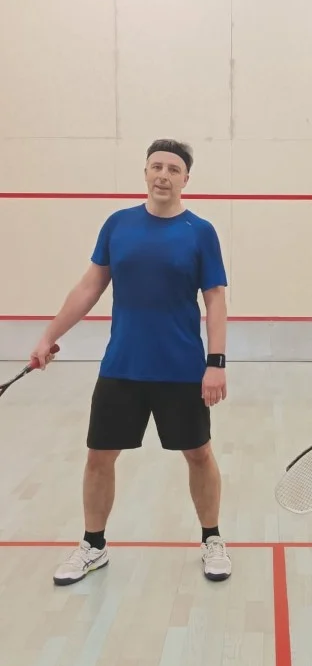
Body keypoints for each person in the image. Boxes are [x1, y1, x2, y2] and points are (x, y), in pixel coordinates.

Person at [31, 139, 231, 586]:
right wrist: (49, 336)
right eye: (156, 166)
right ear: (145, 172)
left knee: (199, 453)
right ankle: (93, 545)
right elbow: (90, 286)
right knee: (99, 456)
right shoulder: (118, 224)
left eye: (173, 169)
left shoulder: (200, 232)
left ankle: (212, 539)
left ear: (186, 179)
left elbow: (215, 299)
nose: (163, 175)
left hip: (181, 369)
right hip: (122, 366)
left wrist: (216, 362)